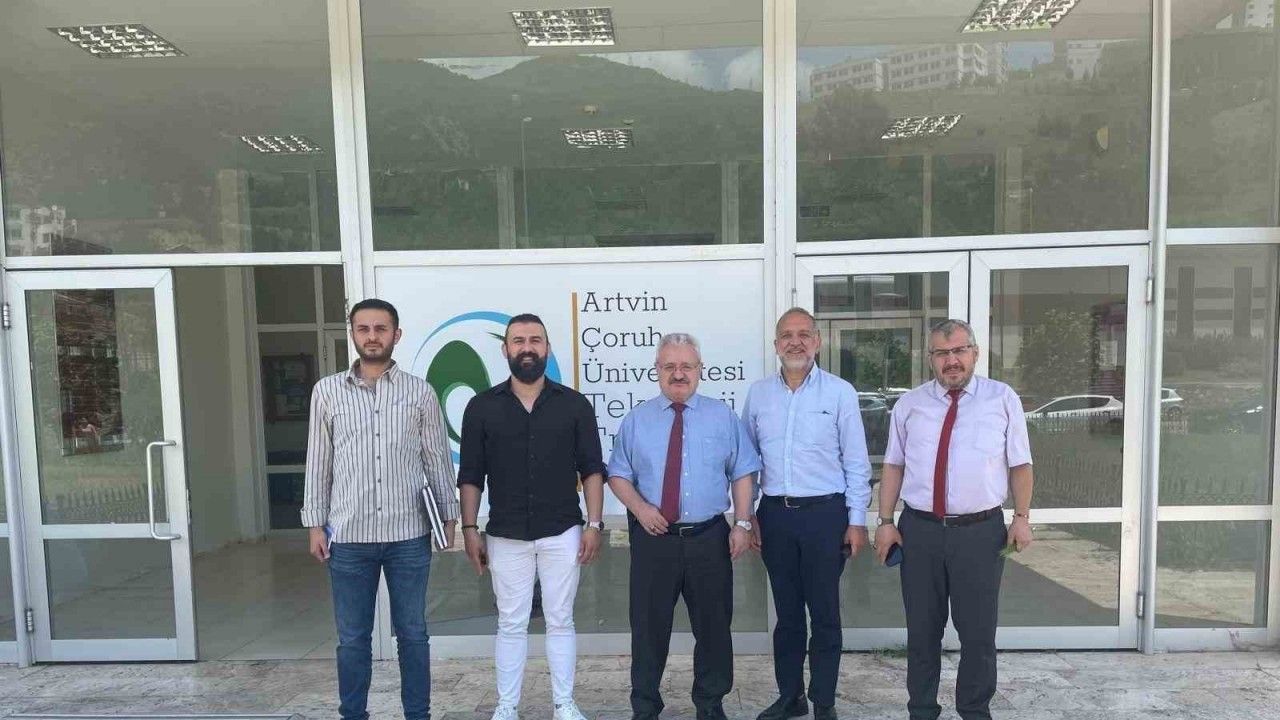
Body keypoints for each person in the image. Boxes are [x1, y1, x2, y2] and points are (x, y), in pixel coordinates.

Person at [301, 298, 458, 720]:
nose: (372, 336)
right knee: (353, 639)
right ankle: (353, 714)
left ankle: (418, 715)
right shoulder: (327, 392)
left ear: (396, 334)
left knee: (414, 635)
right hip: (349, 537)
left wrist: (448, 516)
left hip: (408, 535)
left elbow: (436, 458)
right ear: (353, 334)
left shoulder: (420, 392)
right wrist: (314, 524)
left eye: (381, 328)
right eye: (364, 328)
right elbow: (319, 462)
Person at [874, 318, 1035, 720]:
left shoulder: (1002, 399)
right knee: (922, 632)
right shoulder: (909, 405)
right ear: (930, 358)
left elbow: (1020, 464)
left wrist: (1021, 517)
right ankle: (921, 710)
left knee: (978, 633)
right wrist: (885, 521)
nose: (952, 360)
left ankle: (974, 711)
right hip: (920, 532)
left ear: (975, 353)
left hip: (980, 533)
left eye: (960, 350)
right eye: (942, 353)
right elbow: (893, 465)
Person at [457, 313, 605, 720]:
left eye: (535, 340)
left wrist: (594, 524)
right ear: (505, 349)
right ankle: (507, 706)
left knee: (560, 620)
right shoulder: (481, 407)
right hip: (505, 533)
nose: (527, 348)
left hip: (562, 530)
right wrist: (469, 529)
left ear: (547, 348)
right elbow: (471, 475)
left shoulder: (574, 405)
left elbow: (592, 469)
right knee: (510, 622)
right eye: (518, 341)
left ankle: (564, 704)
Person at [607, 333, 761, 720]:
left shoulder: (722, 416)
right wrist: (641, 509)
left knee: (713, 629)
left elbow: (743, 471)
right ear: (657, 370)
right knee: (648, 629)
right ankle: (645, 707)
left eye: (687, 366)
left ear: (700, 370)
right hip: (654, 540)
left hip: (709, 539)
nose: (679, 374)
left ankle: (710, 704)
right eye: (670, 366)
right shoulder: (637, 420)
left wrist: (742, 522)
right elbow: (618, 475)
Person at [741, 307, 872, 720]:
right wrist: (748, 515)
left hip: (825, 516)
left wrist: (856, 520)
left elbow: (856, 463)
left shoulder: (839, 393)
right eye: (787, 335)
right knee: (787, 616)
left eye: (803, 334)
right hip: (776, 515)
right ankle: (791, 697)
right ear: (776, 344)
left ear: (817, 341)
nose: (794, 342)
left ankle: (823, 701)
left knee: (825, 613)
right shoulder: (759, 395)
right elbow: (747, 461)